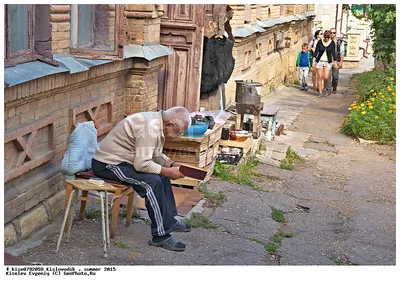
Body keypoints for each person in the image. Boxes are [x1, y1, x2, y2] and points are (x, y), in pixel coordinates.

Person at [91, 106, 192, 252]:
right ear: (169, 124)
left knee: (162, 177)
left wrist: (170, 164)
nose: (178, 136)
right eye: (178, 132)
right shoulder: (149, 128)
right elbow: (142, 164)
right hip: (108, 164)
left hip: (126, 161)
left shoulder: (158, 123)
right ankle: (161, 235)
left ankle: (168, 219)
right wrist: (167, 171)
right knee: (152, 182)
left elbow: (154, 154)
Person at [312, 30, 337, 98]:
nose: (326, 39)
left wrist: (335, 62)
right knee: (320, 76)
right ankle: (320, 92)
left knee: (326, 77)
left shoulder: (332, 43)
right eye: (325, 37)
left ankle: (325, 88)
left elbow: (333, 53)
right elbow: (316, 52)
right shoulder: (320, 42)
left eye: (327, 38)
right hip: (320, 61)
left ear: (329, 38)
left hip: (328, 61)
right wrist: (313, 62)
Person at [327, 28, 345, 94]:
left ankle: (334, 87)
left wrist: (341, 62)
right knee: (328, 76)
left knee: (335, 76)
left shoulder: (339, 42)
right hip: (328, 61)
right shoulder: (327, 41)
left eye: (333, 33)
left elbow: (342, 52)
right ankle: (328, 89)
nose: (332, 34)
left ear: (336, 33)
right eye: (331, 33)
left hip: (336, 61)